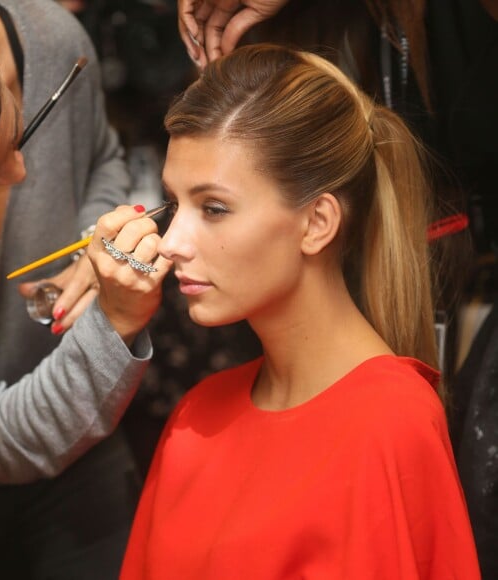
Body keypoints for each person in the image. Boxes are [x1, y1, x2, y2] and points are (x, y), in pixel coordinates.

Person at [112, 43, 480, 578]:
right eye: (175, 204)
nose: (171, 243)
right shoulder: (197, 416)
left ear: (317, 223)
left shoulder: (389, 423)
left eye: (213, 208)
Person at [0, 1, 170, 578]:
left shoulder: (49, 42)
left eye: (21, 130)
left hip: (90, 454)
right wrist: (114, 323)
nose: (22, 173)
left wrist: (92, 241)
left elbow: (102, 159)